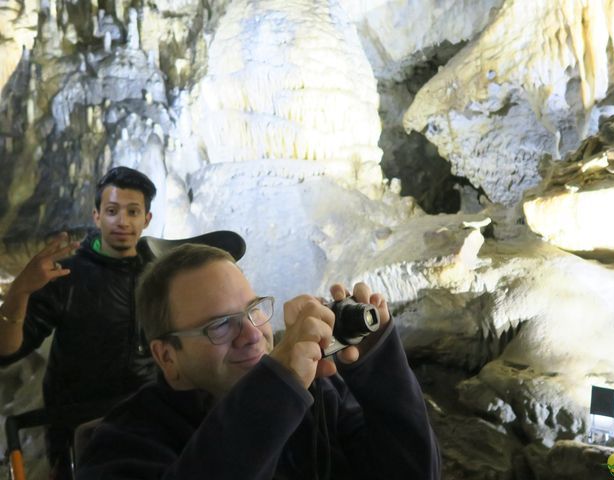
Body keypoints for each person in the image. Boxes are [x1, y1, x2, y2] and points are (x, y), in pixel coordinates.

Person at [76, 243, 441, 479]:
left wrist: (378, 367)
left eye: (253, 310)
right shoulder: (121, 444)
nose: (252, 334)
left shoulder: (321, 396)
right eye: (219, 325)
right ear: (167, 356)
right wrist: (274, 390)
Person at [0, 166, 159, 479]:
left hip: (146, 419)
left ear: (146, 219)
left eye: (133, 211)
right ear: (97, 216)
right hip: (76, 428)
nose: (123, 222)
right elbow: (8, 350)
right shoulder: (66, 277)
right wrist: (20, 291)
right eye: (112, 211)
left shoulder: (158, 274)